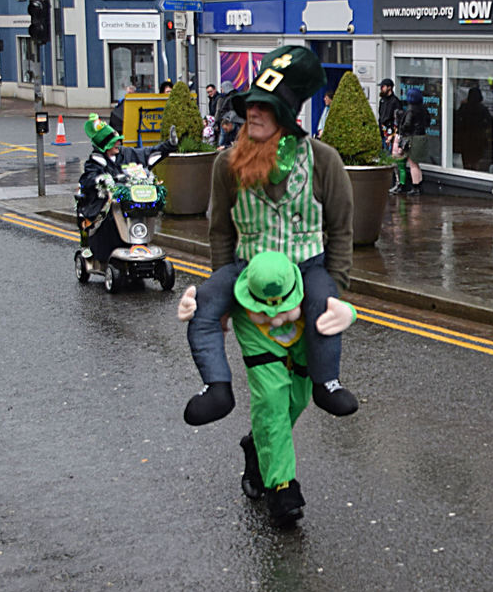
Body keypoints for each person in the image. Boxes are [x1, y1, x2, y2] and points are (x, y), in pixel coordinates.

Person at [180, 45, 358, 428]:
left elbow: (342, 231)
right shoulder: (226, 164)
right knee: (204, 305)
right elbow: (220, 233)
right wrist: (225, 294)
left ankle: (328, 382)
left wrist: (334, 289)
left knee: (316, 328)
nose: (253, 112)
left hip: (306, 266)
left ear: (287, 116)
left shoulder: (324, 160)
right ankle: (216, 387)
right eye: (250, 105)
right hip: (248, 270)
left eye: (264, 105)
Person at [178, 251, 357, 526]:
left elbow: (339, 230)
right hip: (254, 324)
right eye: (266, 311)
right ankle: (282, 489)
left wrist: (345, 307)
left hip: (303, 317)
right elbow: (222, 232)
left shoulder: (307, 288)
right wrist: (210, 300)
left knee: (296, 400)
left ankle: (257, 446)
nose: (274, 317)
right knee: (272, 400)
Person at [75, 114, 177, 261]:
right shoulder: (94, 162)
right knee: (110, 218)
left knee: (145, 210)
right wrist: (104, 181)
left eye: (118, 141)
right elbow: (89, 179)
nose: (118, 144)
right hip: (109, 207)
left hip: (129, 203)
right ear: (105, 146)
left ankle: (140, 244)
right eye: (114, 142)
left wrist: (170, 145)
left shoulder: (127, 153)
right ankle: (109, 255)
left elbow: (149, 154)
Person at [396, 88, 430, 196]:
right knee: (416, 163)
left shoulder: (410, 110)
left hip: (413, 138)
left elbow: (407, 125)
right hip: (422, 136)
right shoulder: (424, 109)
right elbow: (428, 122)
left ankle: (415, 187)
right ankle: (419, 185)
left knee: (412, 164)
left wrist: (401, 131)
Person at [453, 86, 493, 172]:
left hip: (465, 137)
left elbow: (456, 119)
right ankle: (474, 171)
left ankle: (467, 170)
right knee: (476, 158)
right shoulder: (482, 108)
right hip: (478, 137)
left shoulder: (464, 107)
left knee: (466, 158)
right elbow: (490, 121)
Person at [378, 79, 404, 192]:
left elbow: (397, 120)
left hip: (391, 133)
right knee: (385, 157)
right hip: (383, 132)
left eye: (383, 86)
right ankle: (387, 182)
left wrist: (393, 134)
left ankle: (396, 182)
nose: (381, 88)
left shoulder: (395, 102)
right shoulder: (382, 101)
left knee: (393, 158)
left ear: (389, 87)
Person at [212, 80, 236, 145]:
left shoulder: (227, 98)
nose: (221, 90)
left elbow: (221, 110)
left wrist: (219, 121)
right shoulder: (236, 96)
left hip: (227, 121)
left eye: (222, 88)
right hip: (235, 121)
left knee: (223, 139)